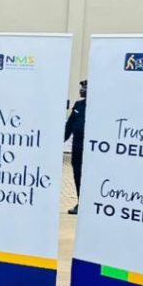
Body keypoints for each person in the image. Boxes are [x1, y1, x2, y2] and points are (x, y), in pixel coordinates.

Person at [64, 79, 87, 215]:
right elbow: (69, 127)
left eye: (85, 88)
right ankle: (81, 202)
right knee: (78, 175)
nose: (82, 90)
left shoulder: (100, 108)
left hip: (91, 151)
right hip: (77, 149)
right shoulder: (78, 105)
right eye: (82, 88)